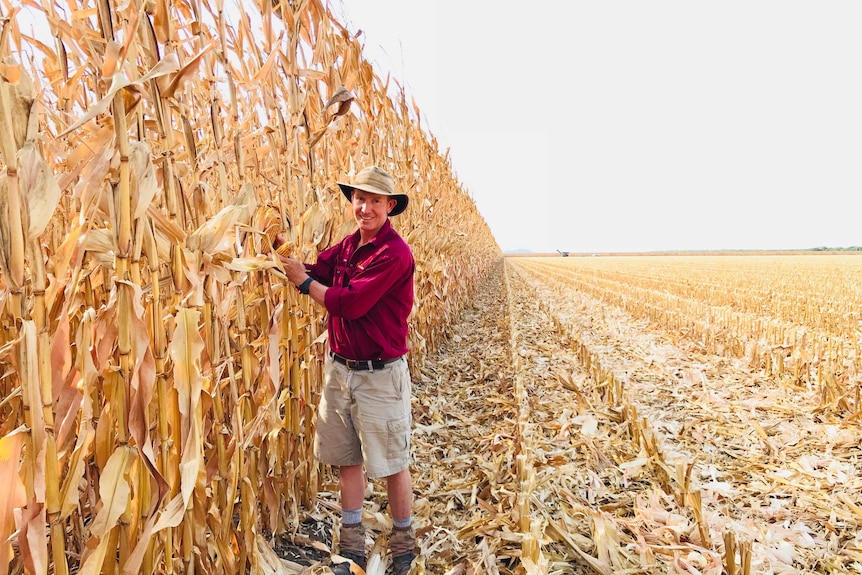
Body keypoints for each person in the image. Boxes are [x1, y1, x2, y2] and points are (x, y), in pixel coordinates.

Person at [277, 166, 416, 575]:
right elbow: (316, 270)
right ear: (352, 201)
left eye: (375, 201)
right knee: (348, 458)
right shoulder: (346, 246)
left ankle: (404, 546)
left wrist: (303, 284)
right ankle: (352, 547)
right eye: (360, 198)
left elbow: (348, 303)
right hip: (340, 371)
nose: (366, 207)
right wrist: (278, 252)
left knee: (391, 462)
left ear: (390, 206)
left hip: (379, 375)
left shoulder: (394, 253)